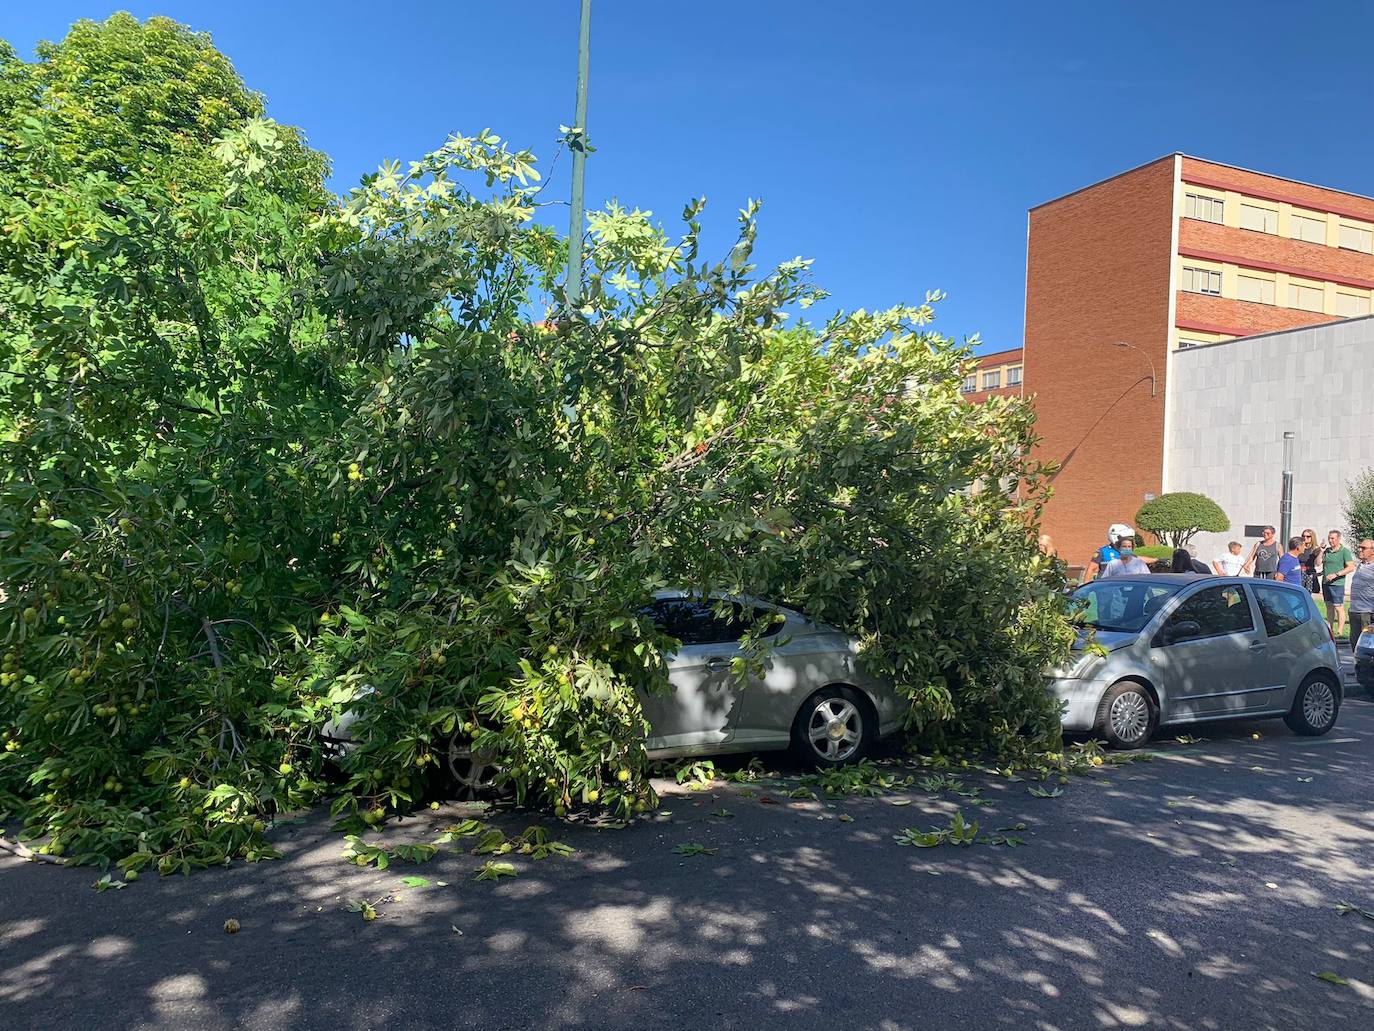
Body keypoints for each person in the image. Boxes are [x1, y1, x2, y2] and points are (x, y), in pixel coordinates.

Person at [1321, 529, 1357, 638]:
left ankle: (1340, 631)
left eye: (1333, 538)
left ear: (1338, 539)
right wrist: (1321, 551)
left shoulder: (1344, 551)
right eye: (1329, 538)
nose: (1330, 540)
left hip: (1337, 584)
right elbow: (1317, 563)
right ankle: (1330, 629)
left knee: (1338, 607)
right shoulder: (1327, 551)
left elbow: (1351, 567)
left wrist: (1336, 574)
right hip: (1326, 583)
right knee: (1329, 607)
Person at [1349, 539, 1374, 648]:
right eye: (1360, 547)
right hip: (1354, 611)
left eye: (1363, 548)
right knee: (1354, 644)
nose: (1360, 550)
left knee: (1366, 646)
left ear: (1372, 551)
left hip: (1366, 613)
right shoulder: (1360, 565)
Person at [1298, 528, 1322, 594]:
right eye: (1303, 536)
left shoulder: (1316, 549)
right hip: (1299, 572)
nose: (1305, 538)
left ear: (1312, 537)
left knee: (1308, 594)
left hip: (1310, 573)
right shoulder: (1299, 547)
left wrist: (1321, 551)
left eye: (1308, 536)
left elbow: (1318, 563)